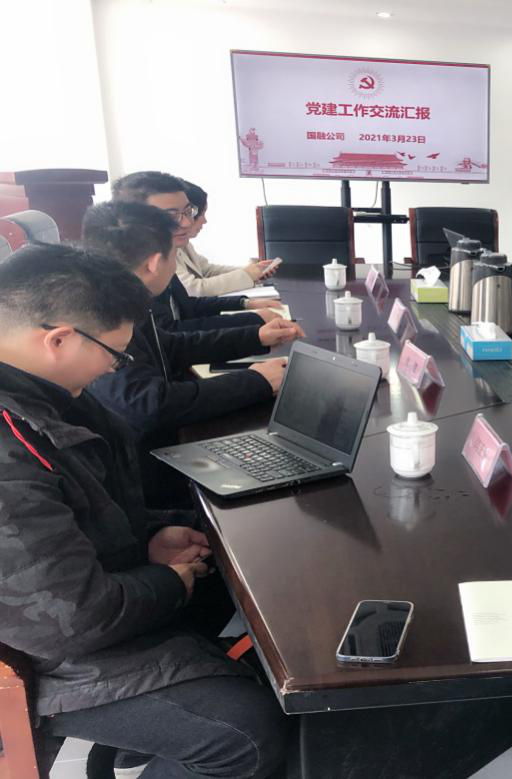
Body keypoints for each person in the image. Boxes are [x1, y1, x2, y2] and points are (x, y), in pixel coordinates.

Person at [0, 243, 288, 777]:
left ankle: (161, 726)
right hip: (48, 658)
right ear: (58, 340)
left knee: (234, 571)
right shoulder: (11, 447)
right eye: (115, 353)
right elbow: (73, 620)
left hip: (73, 608)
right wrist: (168, 582)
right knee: (245, 736)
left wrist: (148, 537)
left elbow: (81, 515)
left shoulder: (47, 392)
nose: (115, 367)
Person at [81, 201, 302, 501]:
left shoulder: (118, 296)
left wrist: (255, 336)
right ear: (154, 263)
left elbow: (170, 345)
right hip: (143, 478)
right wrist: (256, 381)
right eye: (175, 256)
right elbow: (149, 405)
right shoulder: (101, 317)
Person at [112, 171, 284, 327]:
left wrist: (245, 303)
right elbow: (173, 335)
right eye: (171, 215)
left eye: (189, 212)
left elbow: (187, 304)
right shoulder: (126, 284)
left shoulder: (168, 249)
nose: (187, 223)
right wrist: (252, 321)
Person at [176, 179, 280, 296]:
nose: (205, 221)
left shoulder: (184, 244)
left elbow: (206, 270)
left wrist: (252, 271)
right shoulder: (165, 248)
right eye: (202, 213)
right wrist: (247, 274)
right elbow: (193, 289)